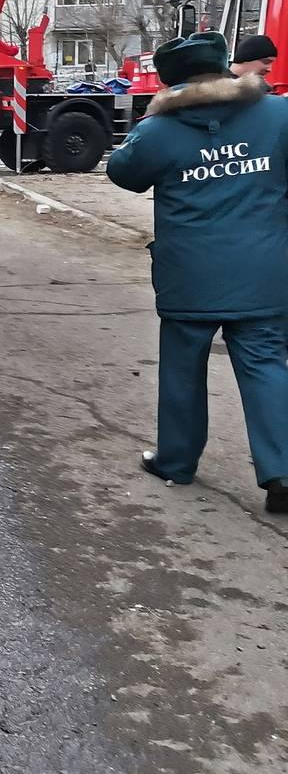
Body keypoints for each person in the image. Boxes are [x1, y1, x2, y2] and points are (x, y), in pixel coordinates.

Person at [106, 30, 288, 512]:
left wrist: (153, 119)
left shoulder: (159, 131)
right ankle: (283, 471)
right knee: (267, 362)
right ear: (225, 66)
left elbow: (123, 174)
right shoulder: (278, 114)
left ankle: (176, 461)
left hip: (189, 273)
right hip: (265, 270)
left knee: (184, 368)